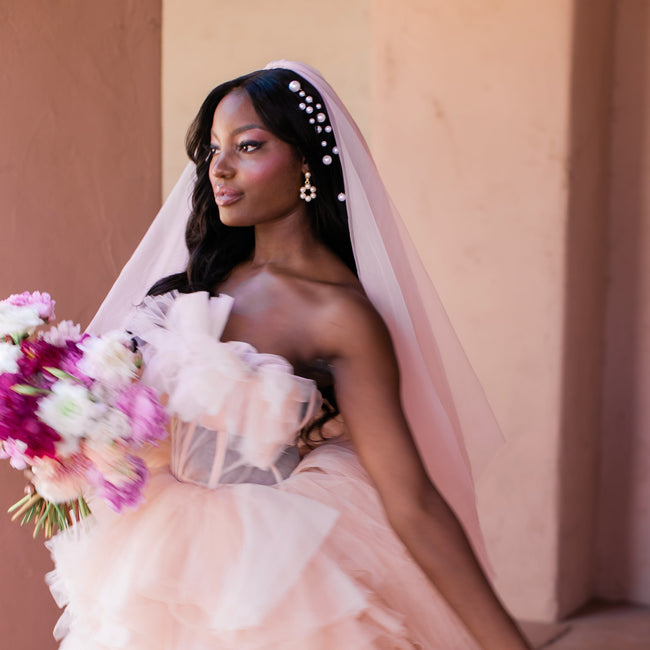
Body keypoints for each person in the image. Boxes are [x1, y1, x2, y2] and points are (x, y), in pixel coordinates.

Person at [46, 61, 532, 649]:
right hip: (156, 551)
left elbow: (413, 502)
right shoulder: (201, 282)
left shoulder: (339, 314)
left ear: (306, 162)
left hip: (272, 575)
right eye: (213, 150)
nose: (218, 168)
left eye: (248, 147)